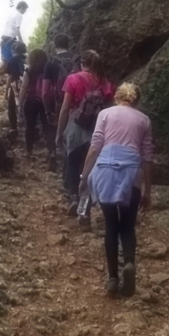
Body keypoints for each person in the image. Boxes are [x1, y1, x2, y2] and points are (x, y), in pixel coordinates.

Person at [78, 82, 153, 297]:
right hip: (132, 174)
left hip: (105, 172)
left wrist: (84, 176)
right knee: (127, 226)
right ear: (136, 100)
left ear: (117, 97)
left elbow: (95, 147)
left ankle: (112, 279)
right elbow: (147, 157)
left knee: (111, 225)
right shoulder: (144, 120)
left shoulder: (105, 114)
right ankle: (129, 262)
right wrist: (147, 191)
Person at [55, 50, 114, 221]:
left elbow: (65, 108)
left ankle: (73, 197)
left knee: (72, 163)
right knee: (89, 168)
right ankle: (85, 210)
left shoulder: (73, 79)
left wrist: (59, 132)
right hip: (97, 128)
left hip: (75, 126)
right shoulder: (106, 84)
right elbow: (109, 110)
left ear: (82, 63)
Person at [18, 48, 55, 159]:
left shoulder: (29, 70)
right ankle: (51, 152)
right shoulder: (49, 69)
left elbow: (24, 87)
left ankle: (29, 151)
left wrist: (20, 103)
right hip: (46, 100)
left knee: (30, 126)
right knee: (47, 126)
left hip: (31, 100)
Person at [0, 1, 28, 67]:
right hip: (10, 37)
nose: (25, 11)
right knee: (13, 58)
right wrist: (21, 41)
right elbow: (17, 29)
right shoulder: (19, 15)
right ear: (21, 7)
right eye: (25, 9)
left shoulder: (12, 14)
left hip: (4, 36)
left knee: (5, 59)